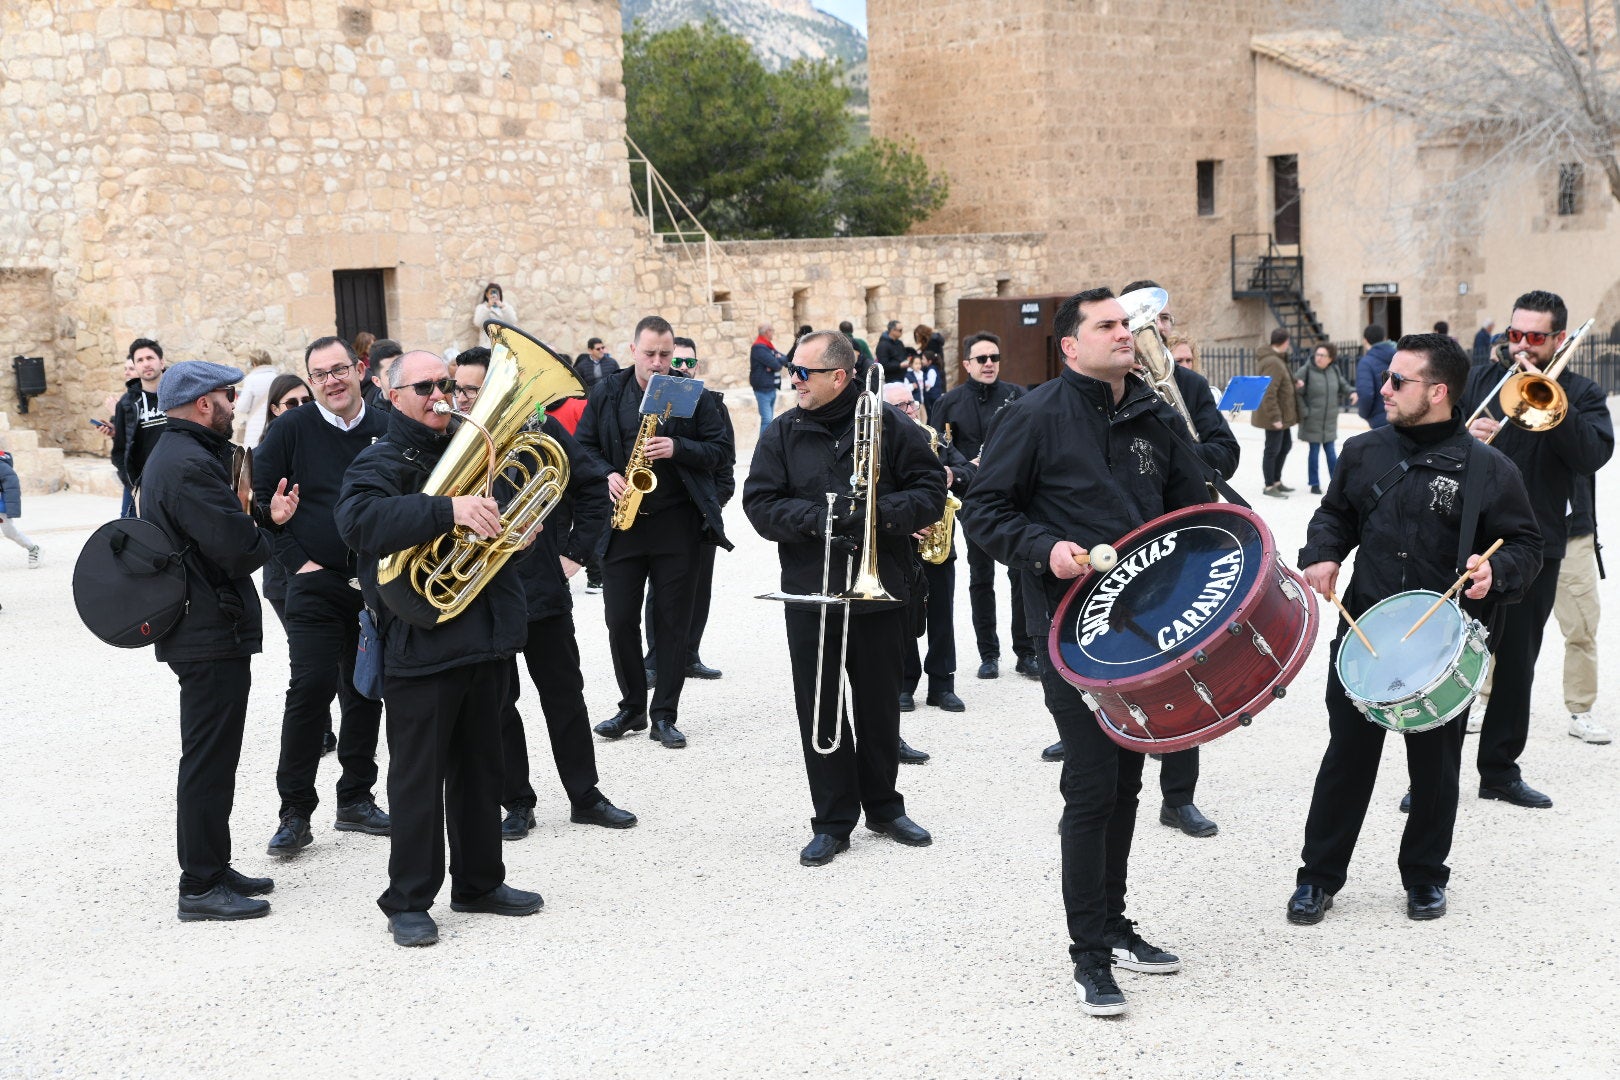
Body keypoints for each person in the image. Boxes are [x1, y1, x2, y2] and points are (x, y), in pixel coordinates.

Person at [962, 288, 1210, 1016]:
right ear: (1069, 347)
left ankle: (1113, 922)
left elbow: (1194, 511)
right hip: (1069, 632)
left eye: (1126, 324)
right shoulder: (1032, 416)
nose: (1124, 333)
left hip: (1147, 631)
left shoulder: (1152, 414)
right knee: (1094, 783)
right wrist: (1048, 550)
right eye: (1105, 326)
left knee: (1128, 780)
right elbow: (985, 510)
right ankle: (1089, 956)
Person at [1288, 333, 1542, 927]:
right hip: (1367, 635)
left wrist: (1493, 570)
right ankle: (1318, 878)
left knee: (1436, 770)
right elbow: (1335, 515)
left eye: (1398, 381)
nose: (1384, 388)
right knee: (1346, 760)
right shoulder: (1363, 451)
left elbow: (1527, 544)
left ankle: (1425, 876)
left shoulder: (1488, 468)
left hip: (1443, 649)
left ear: (1438, 391)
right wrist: (1322, 553)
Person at [336, 349, 543, 948]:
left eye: (446, 384)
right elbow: (357, 523)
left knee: (482, 769)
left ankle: (479, 882)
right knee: (417, 778)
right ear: (392, 395)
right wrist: (449, 509)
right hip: (420, 641)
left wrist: (515, 533)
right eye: (425, 386)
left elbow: (494, 528)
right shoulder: (380, 458)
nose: (440, 395)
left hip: (484, 637)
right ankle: (408, 898)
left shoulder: (475, 447)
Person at [743, 330, 945, 867]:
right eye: (791, 370)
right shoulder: (783, 432)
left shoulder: (891, 424)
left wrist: (873, 514)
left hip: (881, 590)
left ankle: (883, 806)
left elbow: (929, 493)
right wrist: (820, 519)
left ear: (839, 375)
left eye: (803, 372)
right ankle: (832, 820)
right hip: (812, 591)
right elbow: (760, 504)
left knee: (880, 705)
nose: (793, 380)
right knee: (820, 706)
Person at [424, 347, 638, 841]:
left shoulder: (537, 431)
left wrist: (576, 555)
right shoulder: (444, 439)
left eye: (475, 389)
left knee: (565, 695)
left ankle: (585, 796)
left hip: (539, 587)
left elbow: (589, 486)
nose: (465, 398)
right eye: (462, 389)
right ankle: (516, 801)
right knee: (498, 703)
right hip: (478, 593)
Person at [140, 360, 300, 921]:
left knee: (215, 755)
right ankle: (200, 885)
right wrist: (264, 529)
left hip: (210, 625)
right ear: (204, 405)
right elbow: (235, 548)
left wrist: (263, 520)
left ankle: (214, 864)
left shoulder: (182, 455)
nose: (236, 404)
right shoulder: (186, 464)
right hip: (207, 629)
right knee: (208, 759)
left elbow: (227, 534)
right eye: (228, 396)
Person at [1460, 289, 1614, 807]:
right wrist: (1465, 440)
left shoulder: (1584, 393)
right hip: (1472, 540)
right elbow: (1433, 444)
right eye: (1515, 334)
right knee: (1453, 658)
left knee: (1518, 663)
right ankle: (1431, 776)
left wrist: (1551, 398)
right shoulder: (1483, 380)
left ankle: (1499, 772)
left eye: (1535, 336)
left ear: (1559, 340)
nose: (1522, 345)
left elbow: (1591, 455)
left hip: (1537, 544)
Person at [254, 336, 391, 857]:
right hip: (314, 583)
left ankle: (355, 798)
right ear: (309, 382)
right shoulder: (290, 429)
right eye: (320, 374)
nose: (331, 381)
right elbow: (261, 505)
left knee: (364, 691)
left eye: (339, 370)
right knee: (309, 691)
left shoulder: (386, 428)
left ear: (359, 371)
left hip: (376, 584)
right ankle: (294, 813)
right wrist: (296, 560)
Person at [577, 315, 734, 749]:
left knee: (671, 623)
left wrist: (677, 447)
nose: (659, 362)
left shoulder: (693, 395)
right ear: (633, 351)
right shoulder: (607, 391)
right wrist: (606, 473)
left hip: (676, 525)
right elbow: (581, 447)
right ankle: (632, 707)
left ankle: (665, 714)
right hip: (623, 524)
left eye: (666, 354)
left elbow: (721, 451)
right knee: (618, 620)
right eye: (650, 354)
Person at [932, 332, 1034, 681]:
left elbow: (1030, 440)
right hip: (972, 498)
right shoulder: (948, 402)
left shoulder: (1017, 395)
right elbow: (941, 446)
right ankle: (988, 653)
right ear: (967, 364)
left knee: (1021, 573)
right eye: (982, 359)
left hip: (1013, 497)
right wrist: (971, 466)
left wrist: (991, 461)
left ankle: (1026, 652)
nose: (989, 363)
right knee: (981, 576)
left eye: (994, 357)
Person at [642, 335, 732, 682]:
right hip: (661, 513)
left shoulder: (711, 403)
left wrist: (716, 499)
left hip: (701, 513)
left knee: (699, 586)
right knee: (660, 589)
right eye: (676, 361)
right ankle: (654, 659)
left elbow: (726, 458)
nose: (682, 367)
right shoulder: (649, 405)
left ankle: (690, 654)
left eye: (689, 362)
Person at [883, 385, 973, 732]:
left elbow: (967, 469)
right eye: (900, 405)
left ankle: (942, 685)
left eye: (911, 402)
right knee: (903, 614)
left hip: (939, 542)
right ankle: (906, 683)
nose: (910, 409)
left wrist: (954, 474)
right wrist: (905, 522)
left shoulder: (934, 438)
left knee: (941, 614)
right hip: (901, 541)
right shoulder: (881, 446)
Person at [1555, 474, 1607, 744]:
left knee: (1582, 625)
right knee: (1499, 622)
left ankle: (1580, 710)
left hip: (1571, 527)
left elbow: (1594, 451)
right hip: (1511, 520)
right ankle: (1486, 701)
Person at [111, 337, 168, 517]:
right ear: (135, 366)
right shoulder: (127, 404)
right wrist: (133, 486)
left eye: (150, 358)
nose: (146, 364)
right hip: (143, 486)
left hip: (179, 481)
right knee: (139, 537)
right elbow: (119, 451)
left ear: (162, 362)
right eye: (140, 360)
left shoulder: (180, 397)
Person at [1295, 343, 1354, 495]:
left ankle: (1336, 483)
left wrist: (1352, 392)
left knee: (1331, 452)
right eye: (1317, 354)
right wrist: (1305, 411)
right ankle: (1314, 484)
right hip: (1312, 419)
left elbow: (1343, 385)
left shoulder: (1334, 370)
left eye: (1323, 355)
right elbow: (1296, 393)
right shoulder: (1306, 370)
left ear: (1330, 359)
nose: (1319, 358)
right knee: (1314, 452)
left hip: (1329, 420)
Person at [1252, 328, 1298, 497]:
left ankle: (1277, 481)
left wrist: (1294, 382)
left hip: (1283, 414)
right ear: (1285, 342)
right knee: (1272, 449)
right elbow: (1269, 392)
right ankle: (1269, 486)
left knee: (1285, 445)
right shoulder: (1273, 362)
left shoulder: (1277, 359)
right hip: (1275, 415)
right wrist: (1275, 417)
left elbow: (1281, 381)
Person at [0, 453, 41, 568]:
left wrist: (12, 508)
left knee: (8, 532)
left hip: (1, 505)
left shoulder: (2, 466)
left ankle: (33, 548)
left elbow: (12, 486)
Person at [234, 349, 280, 449]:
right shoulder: (278, 378)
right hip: (275, 428)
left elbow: (242, 407)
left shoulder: (252, 379)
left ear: (254, 363)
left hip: (255, 431)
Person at [1356, 324, 1395, 430]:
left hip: (1379, 419)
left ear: (1365, 340)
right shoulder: (1398, 355)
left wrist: (1364, 414)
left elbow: (1366, 394)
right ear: (1384, 338)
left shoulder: (1366, 362)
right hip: (1399, 413)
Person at [750, 323, 786, 435]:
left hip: (771, 388)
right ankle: (763, 447)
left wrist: (776, 361)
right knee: (767, 420)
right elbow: (777, 365)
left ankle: (765, 446)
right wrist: (776, 361)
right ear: (767, 332)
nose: (773, 333)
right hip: (763, 389)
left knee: (768, 420)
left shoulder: (768, 346)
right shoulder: (759, 347)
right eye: (772, 331)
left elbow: (784, 358)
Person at [363, 339, 402, 413]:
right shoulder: (369, 412)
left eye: (401, 369)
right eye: (390, 372)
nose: (399, 376)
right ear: (377, 381)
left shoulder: (422, 400)